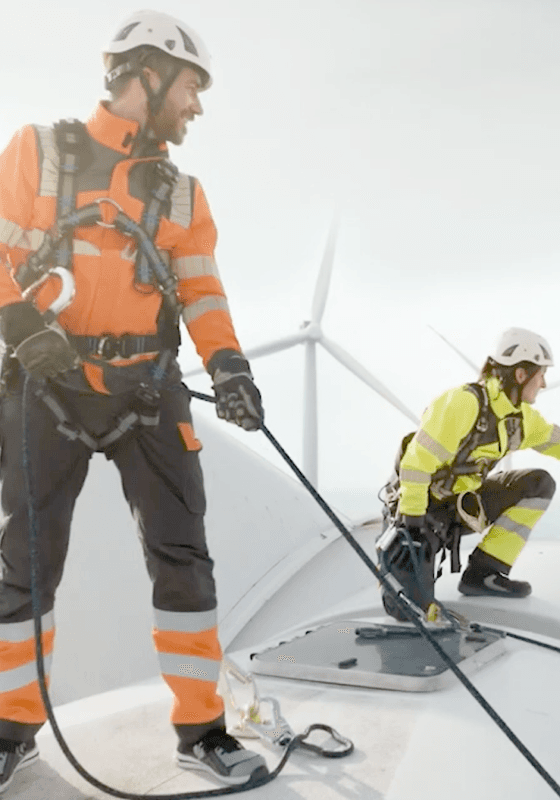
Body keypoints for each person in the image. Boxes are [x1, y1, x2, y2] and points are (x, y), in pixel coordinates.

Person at [0, 11, 268, 792]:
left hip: (149, 391)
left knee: (184, 563)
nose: (198, 105)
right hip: (45, 390)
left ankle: (201, 730)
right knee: (26, 569)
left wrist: (230, 367)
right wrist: (21, 325)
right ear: (146, 75)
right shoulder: (40, 152)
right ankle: (11, 731)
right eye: (191, 86)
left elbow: (202, 288)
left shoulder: (182, 193)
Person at [379, 327, 560, 621]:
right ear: (521, 374)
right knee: (408, 611)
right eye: (540, 374)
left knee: (538, 484)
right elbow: (416, 466)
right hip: (417, 511)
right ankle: (414, 567)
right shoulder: (463, 403)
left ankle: (485, 574)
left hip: (460, 505)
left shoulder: (522, 420)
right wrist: (413, 526)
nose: (544, 384)